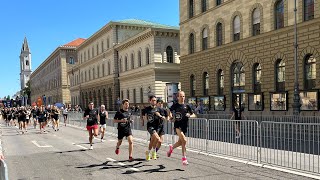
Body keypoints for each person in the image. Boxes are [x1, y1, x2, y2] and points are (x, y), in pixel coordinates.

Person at [167, 91, 195, 165]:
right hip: (177, 126)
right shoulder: (175, 105)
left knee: (180, 142)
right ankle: (184, 158)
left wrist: (190, 115)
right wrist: (170, 117)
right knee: (184, 140)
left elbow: (194, 115)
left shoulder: (187, 106)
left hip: (184, 126)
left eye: (183, 96)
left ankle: (171, 148)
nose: (182, 98)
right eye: (181, 96)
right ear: (178, 97)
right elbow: (169, 110)